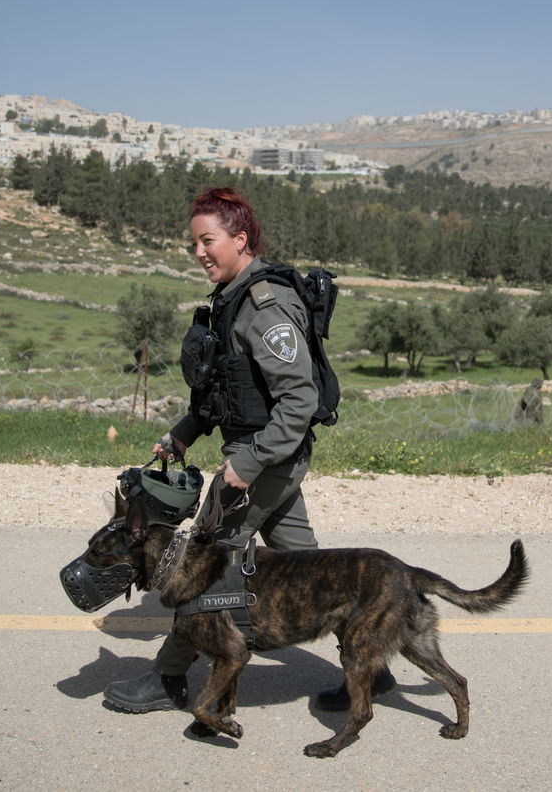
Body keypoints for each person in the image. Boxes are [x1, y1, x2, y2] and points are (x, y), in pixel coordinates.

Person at [103, 186, 392, 714]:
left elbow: (298, 399)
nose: (199, 253)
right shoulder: (231, 298)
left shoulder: (266, 305)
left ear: (240, 239)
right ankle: (375, 667)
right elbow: (228, 388)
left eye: (207, 241)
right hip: (263, 455)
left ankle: (169, 677)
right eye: (193, 243)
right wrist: (184, 432)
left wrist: (248, 463)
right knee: (308, 564)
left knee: (202, 571)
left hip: (264, 457)